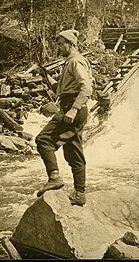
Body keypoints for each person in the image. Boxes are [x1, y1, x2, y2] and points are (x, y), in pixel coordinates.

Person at [35, 29, 93, 206]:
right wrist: (46, 77)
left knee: (43, 140)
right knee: (73, 151)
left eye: (61, 44)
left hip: (73, 108)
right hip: (73, 107)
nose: (59, 47)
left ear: (71, 44)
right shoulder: (71, 63)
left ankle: (54, 178)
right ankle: (80, 194)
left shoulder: (75, 62)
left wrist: (73, 110)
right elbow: (60, 90)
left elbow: (87, 88)